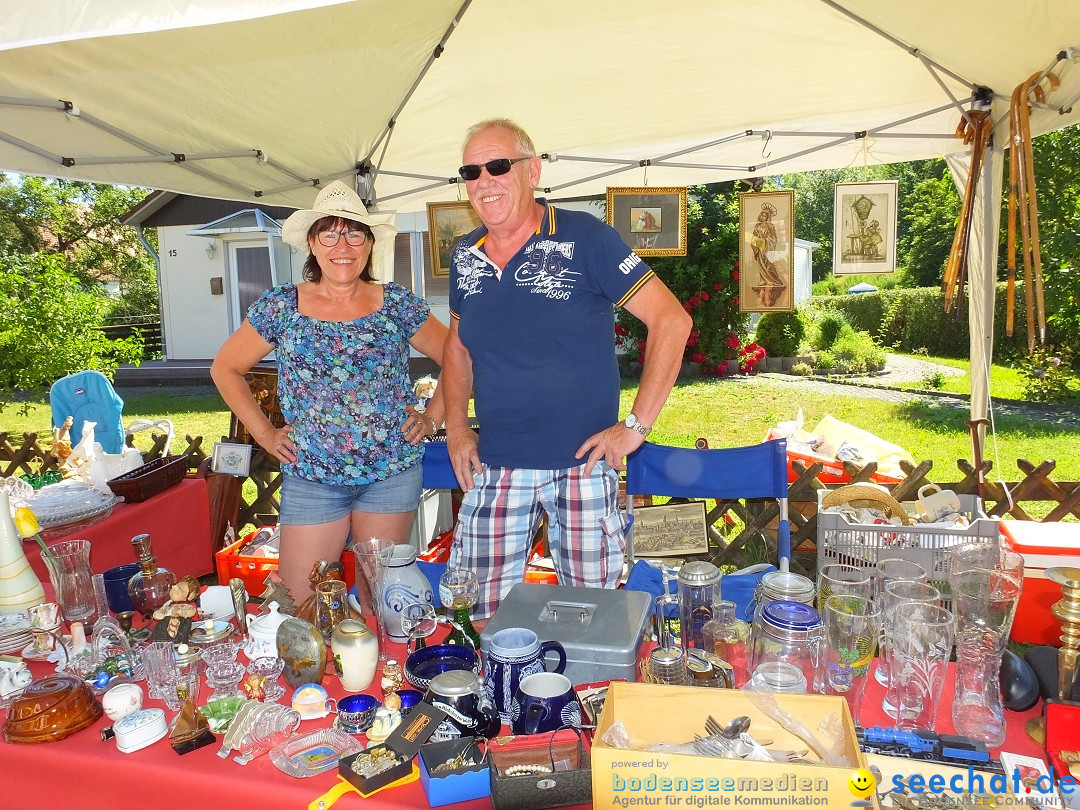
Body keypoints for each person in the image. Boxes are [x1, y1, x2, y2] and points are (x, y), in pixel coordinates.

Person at [442, 118, 691, 617]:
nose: (483, 181)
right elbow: (458, 348)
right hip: (496, 464)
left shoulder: (586, 238)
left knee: (593, 617)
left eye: (497, 165)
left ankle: (592, 696)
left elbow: (671, 320)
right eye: (471, 171)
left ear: (532, 171)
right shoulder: (465, 255)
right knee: (479, 615)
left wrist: (636, 427)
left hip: (583, 465)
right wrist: (455, 427)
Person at [211, 180, 448, 603]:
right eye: (330, 233)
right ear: (312, 243)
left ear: (370, 243)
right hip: (312, 475)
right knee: (300, 602)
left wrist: (434, 417)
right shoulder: (282, 306)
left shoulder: (396, 303)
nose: (343, 244)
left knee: (381, 599)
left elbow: (459, 359)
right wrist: (265, 435)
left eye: (354, 232)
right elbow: (226, 368)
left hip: (390, 474)